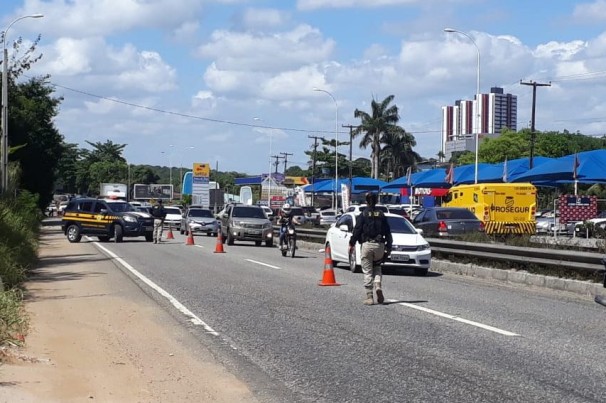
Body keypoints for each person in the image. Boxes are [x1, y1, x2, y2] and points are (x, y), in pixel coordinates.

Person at [349, 192, 393, 305]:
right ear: (376, 201)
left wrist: (352, 243)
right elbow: (388, 232)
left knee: (367, 270)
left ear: (366, 201)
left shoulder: (363, 214)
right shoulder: (382, 215)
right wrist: (389, 246)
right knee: (377, 267)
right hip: (379, 246)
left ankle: (369, 297)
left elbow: (357, 230)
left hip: (367, 245)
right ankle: (378, 286)